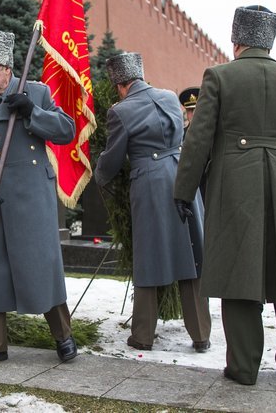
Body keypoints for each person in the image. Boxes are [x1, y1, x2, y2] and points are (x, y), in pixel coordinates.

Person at [174, 5, 276, 385]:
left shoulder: (219, 77)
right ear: (269, 41)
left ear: (236, 41)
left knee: (239, 270)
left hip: (235, 185)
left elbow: (198, 140)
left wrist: (184, 192)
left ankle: (243, 366)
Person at [0, 29, 78, 366]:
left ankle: (63, 336)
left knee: (42, 265)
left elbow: (66, 131)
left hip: (32, 192)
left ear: (8, 68)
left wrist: (31, 113)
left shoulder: (36, 92)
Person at [94, 52, 210, 353]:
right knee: (190, 253)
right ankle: (201, 334)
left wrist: (99, 173)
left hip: (149, 182)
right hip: (182, 175)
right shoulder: (170, 97)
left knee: (148, 256)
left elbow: (114, 157)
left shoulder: (121, 110)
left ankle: (143, 335)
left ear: (119, 84)